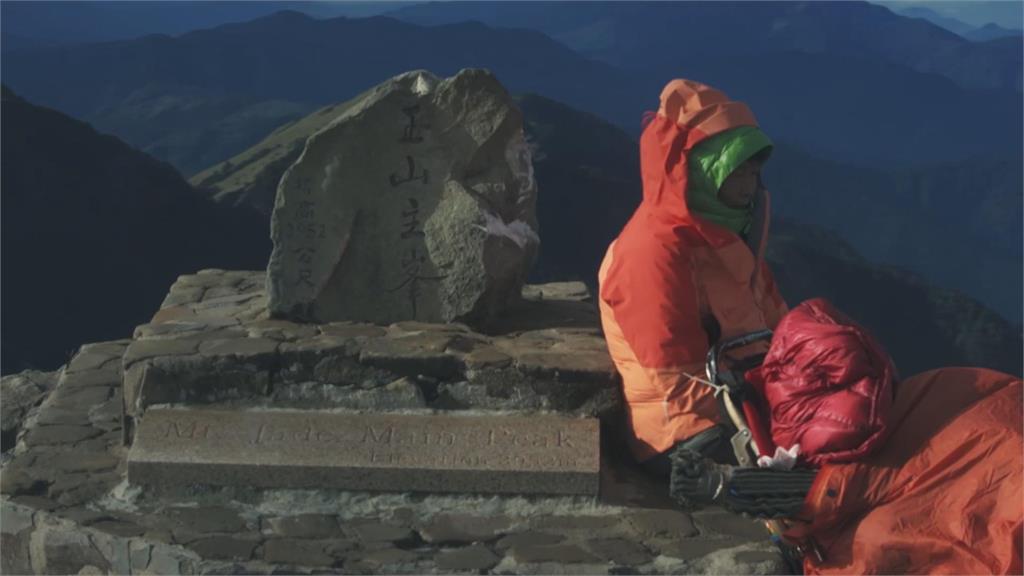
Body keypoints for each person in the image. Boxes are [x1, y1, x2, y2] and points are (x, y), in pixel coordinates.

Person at [597, 78, 788, 475]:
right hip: (683, 434)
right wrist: (770, 408)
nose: (752, 173)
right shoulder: (651, 253)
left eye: (754, 162)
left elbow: (780, 326)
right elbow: (677, 382)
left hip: (740, 402)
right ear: (698, 169)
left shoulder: (726, 234)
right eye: (737, 163)